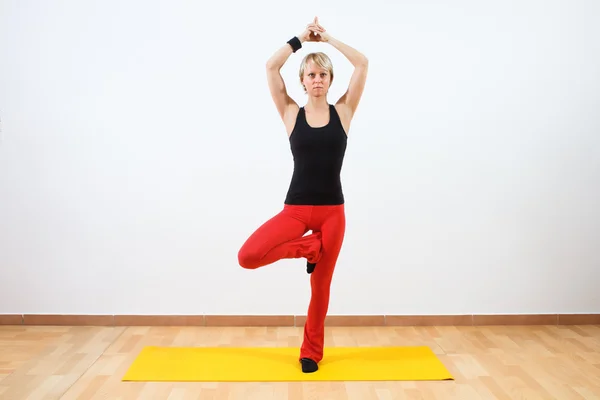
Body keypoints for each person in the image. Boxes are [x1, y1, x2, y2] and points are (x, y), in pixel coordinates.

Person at [237, 17, 368, 373]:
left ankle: (310, 352)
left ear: (330, 80)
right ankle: (308, 248)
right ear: (302, 80)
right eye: (310, 75)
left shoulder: (344, 111)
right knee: (248, 256)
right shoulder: (290, 113)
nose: (317, 80)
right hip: (295, 211)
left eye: (323, 75)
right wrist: (299, 40)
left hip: (332, 215)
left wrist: (327, 40)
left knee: (320, 289)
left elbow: (362, 63)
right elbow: (270, 65)